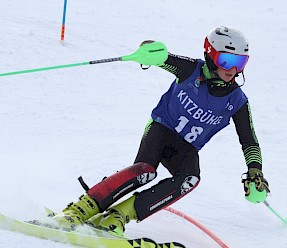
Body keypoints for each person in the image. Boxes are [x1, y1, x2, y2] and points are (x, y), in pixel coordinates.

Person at [53, 26, 270, 236]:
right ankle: (80, 210)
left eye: (240, 63)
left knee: (189, 179)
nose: (233, 70)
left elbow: (249, 140)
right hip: (161, 128)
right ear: (211, 55)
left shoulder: (238, 101)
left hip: (186, 147)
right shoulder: (190, 70)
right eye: (227, 61)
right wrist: (151, 52)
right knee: (145, 171)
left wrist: (255, 171)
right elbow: (163, 58)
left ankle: (117, 216)